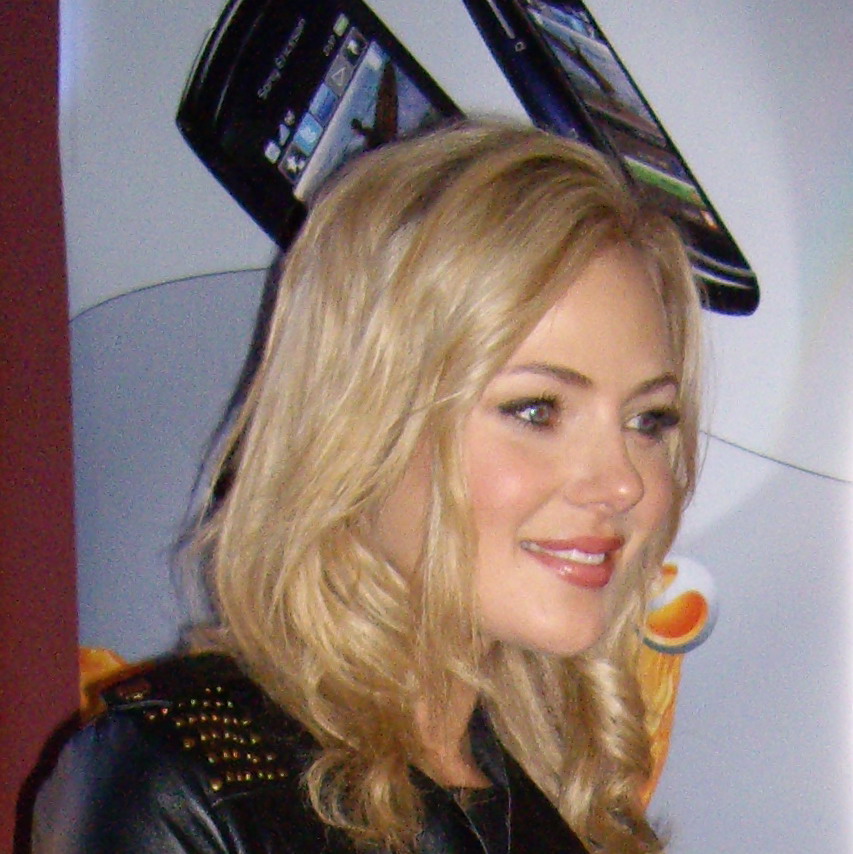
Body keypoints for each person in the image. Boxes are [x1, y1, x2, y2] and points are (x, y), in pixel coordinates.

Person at [33, 121, 702, 853]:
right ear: (363, 419)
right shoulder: (181, 783)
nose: (621, 483)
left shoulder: (555, 799)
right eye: (536, 410)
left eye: (648, 420)